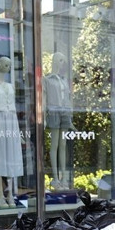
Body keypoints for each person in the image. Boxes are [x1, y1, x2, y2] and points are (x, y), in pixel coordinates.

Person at [0, 56, 23, 208]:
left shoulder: (11, 86)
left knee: (12, 155)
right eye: (5, 64)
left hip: (12, 121)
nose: (7, 67)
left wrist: (19, 133)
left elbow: (14, 108)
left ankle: (10, 194)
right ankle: (0, 194)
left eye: (9, 65)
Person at [43, 52, 73, 190]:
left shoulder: (64, 80)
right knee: (54, 145)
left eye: (64, 61)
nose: (63, 63)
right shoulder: (47, 79)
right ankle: (55, 178)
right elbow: (44, 99)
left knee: (63, 144)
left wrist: (70, 116)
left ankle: (64, 178)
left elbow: (68, 98)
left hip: (64, 112)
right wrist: (43, 116)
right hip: (53, 111)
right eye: (61, 60)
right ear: (55, 61)